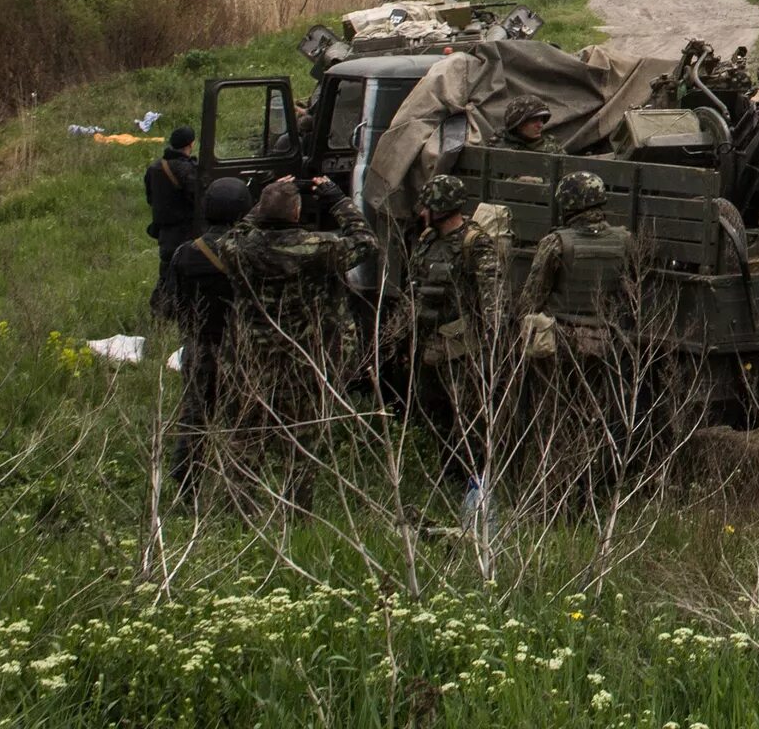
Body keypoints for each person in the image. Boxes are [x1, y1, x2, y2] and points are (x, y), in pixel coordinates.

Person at [220, 173, 380, 496]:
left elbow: (237, 232)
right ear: (296, 214)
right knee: (302, 443)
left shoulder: (235, 250)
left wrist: (262, 205)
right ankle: (297, 512)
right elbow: (366, 242)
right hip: (304, 362)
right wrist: (337, 199)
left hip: (254, 362)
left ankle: (239, 509)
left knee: (247, 438)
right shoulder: (320, 249)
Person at [516, 170, 638, 493]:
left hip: (562, 343)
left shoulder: (556, 244)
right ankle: (595, 491)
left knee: (555, 420)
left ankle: (555, 492)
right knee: (599, 418)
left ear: (568, 204)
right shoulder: (624, 241)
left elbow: (531, 298)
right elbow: (632, 294)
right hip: (605, 342)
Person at [406, 173, 509, 480]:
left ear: (441, 208)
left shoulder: (474, 244)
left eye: (428, 206)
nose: (422, 212)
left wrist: (490, 347)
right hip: (429, 346)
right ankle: (446, 478)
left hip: (462, 351)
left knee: (466, 422)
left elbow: (492, 300)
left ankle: (471, 485)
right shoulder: (427, 241)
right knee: (434, 415)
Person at [162, 174, 251, 495]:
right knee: (241, 423)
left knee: (195, 417)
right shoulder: (250, 253)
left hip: (198, 350)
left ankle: (187, 485)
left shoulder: (185, 254)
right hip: (241, 354)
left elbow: (166, 305)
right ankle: (238, 493)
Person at [144, 125, 201, 307]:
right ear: (191, 144)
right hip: (185, 230)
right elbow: (197, 199)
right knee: (186, 274)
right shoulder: (186, 170)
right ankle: (182, 310)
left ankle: (160, 312)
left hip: (164, 231)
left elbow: (150, 198)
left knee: (166, 273)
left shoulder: (154, 168)